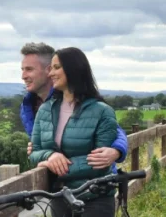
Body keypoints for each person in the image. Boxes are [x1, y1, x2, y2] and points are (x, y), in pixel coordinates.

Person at [28, 46, 166, 217]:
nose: (51, 73)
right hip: (61, 198)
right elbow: (35, 152)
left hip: (95, 196)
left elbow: (100, 160)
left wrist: (59, 167)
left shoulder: (102, 112)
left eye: (57, 67)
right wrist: (49, 156)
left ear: (73, 70)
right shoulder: (46, 111)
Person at [19, 42, 128, 170]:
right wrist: (46, 155)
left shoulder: (89, 105)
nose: (23, 76)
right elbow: (38, 149)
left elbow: (115, 131)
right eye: (22, 70)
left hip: (89, 183)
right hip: (54, 185)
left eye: (29, 69)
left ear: (48, 69)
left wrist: (117, 150)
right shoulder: (28, 107)